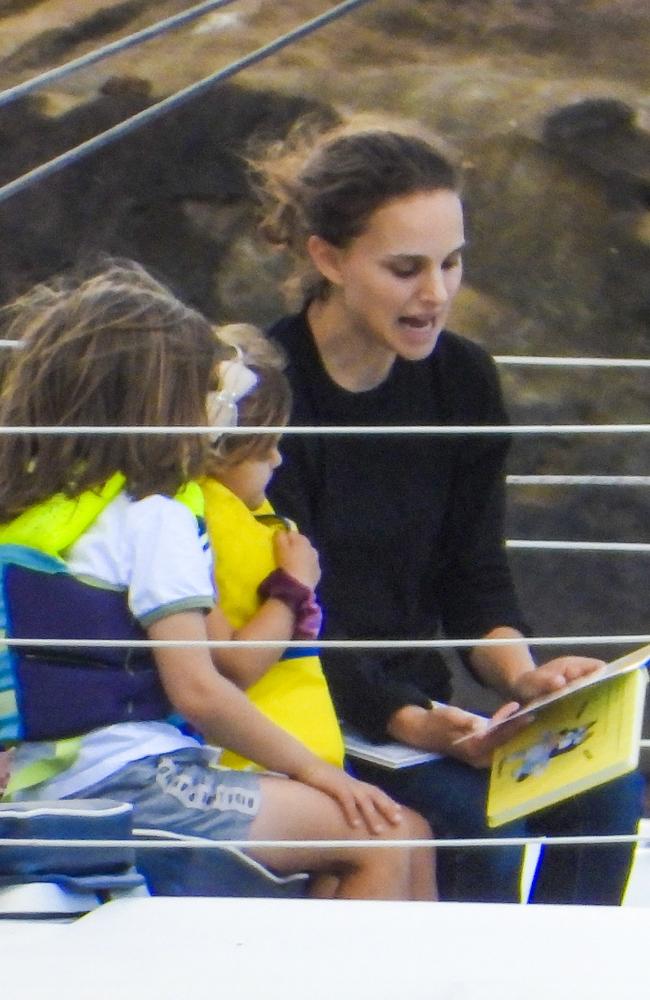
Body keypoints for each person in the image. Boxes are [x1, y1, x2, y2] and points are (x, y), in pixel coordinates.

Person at [252, 120, 644, 903]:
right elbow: (288, 618)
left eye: (452, 263)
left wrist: (528, 681)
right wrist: (410, 720)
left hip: (418, 712)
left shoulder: (462, 380)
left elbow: (476, 576)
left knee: (611, 796)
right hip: (312, 717)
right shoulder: (269, 397)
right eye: (406, 269)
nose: (436, 294)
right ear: (326, 258)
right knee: (483, 828)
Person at [0, 259, 435, 901]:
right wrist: (318, 772)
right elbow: (199, 690)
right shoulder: (154, 517)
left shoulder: (29, 513)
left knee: (388, 829)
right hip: (130, 783)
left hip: (45, 783)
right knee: (388, 831)